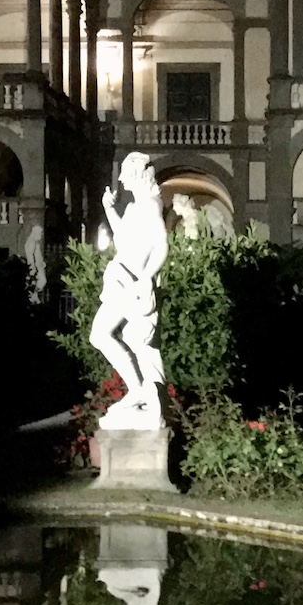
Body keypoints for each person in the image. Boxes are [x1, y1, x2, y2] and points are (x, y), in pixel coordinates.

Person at [90, 154, 169, 429]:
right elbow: (123, 239)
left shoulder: (149, 206)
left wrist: (147, 277)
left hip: (131, 283)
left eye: (124, 173)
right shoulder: (137, 207)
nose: (121, 179)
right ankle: (139, 391)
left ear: (136, 175)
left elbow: (161, 246)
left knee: (109, 336)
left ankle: (140, 391)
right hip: (122, 278)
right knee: (107, 337)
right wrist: (109, 209)